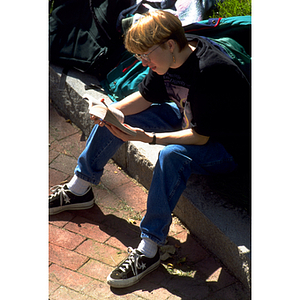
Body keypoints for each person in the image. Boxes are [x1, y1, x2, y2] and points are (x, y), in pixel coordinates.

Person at [49, 10, 250, 288]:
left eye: (146, 56)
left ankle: (149, 249)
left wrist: (150, 138)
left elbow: (201, 137)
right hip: (187, 119)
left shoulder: (211, 71)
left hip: (224, 148)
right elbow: (145, 97)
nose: (144, 63)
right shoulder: (167, 60)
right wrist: (111, 111)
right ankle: (79, 188)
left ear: (169, 44)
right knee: (119, 117)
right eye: (139, 57)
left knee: (171, 155)